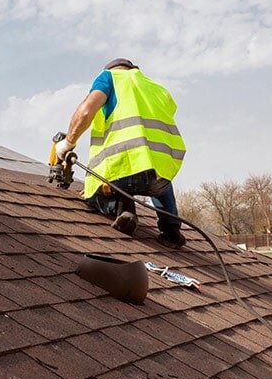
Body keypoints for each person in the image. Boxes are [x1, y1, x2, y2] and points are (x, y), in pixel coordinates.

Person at [54, 58, 187, 248]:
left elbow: (85, 112)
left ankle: (123, 208)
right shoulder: (156, 88)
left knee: (92, 194)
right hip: (161, 173)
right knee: (160, 181)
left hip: (122, 170)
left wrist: (67, 143)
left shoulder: (109, 78)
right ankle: (171, 230)